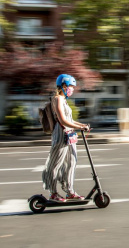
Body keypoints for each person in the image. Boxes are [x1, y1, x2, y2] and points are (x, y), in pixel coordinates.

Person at [42, 74, 90, 202]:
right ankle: (53, 193)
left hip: (69, 135)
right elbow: (63, 121)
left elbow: (70, 119)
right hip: (61, 135)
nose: (72, 89)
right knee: (55, 164)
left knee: (71, 163)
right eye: (71, 87)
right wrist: (80, 128)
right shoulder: (57, 99)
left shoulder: (64, 100)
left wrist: (82, 125)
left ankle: (70, 191)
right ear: (64, 86)